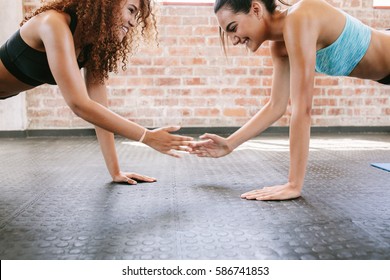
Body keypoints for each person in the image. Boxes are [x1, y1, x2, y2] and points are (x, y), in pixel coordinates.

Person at [190, 0, 390, 200]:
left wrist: (294, 184)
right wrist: (229, 144)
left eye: (233, 28)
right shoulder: (279, 47)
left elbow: (302, 109)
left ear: (256, 9)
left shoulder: (299, 17)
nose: (233, 40)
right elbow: (276, 106)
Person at [0, 0, 193, 185]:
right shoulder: (52, 23)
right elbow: (79, 105)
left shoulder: (91, 44)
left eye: (137, 16)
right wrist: (146, 136)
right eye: (131, 10)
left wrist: (115, 171)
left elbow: (98, 108)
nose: (134, 22)